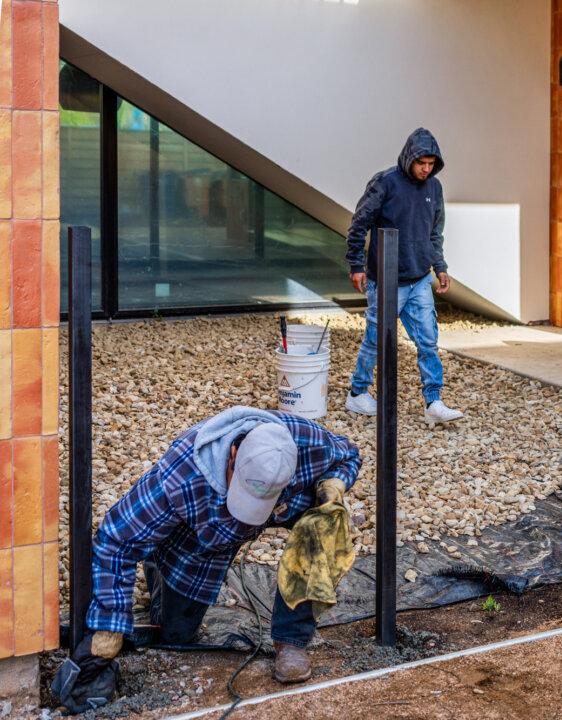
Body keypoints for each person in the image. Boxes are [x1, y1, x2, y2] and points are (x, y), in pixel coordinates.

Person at [58, 407, 361, 711]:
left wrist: (334, 484)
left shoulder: (307, 443)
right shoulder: (183, 474)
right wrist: (109, 627)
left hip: (284, 509)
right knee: (177, 634)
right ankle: (159, 560)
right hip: (204, 533)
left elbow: (349, 455)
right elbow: (116, 538)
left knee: (326, 524)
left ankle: (292, 639)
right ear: (233, 454)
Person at [344, 127, 464, 424]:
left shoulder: (435, 188)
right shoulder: (385, 183)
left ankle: (433, 402)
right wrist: (356, 265)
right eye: (421, 163)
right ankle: (357, 393)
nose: (426, 169)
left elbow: (434, 233)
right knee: (376, 340)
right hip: (385, 280)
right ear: (409, 157)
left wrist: (441, 267)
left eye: (431, 164)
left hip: (420, 278)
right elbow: (359, 223)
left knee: (428, 341)